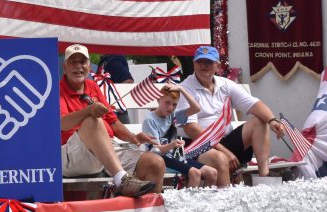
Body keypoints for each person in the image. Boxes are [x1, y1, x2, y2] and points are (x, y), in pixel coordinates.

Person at [60, 44, 165, 196]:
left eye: (82, 62)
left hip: (107, 149)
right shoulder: (57, 90)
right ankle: (122, 179)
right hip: (74, 154)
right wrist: (88, 110)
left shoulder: (92, 86)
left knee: (155, 163)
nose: (78, 66)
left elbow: (113, 122)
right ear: (65, 67)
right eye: (73, 62)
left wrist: (133, 137)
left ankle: (148, 211)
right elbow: (62, 123)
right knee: (92, 121)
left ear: (88, 66)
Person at [176, 45, 285, 187]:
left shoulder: (225, 84)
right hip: (195, 145)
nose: (204, 66)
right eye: (200, 62)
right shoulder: (185, 88)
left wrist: (272, 120)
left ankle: (264, 177)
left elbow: (254, 104)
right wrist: (225, 151)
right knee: (221, 158)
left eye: (208, 62)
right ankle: (226, 198)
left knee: (260, 121)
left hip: (222, 141)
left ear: (217, 66)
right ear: (194, 64)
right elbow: (192, 130)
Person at [141, 84, 218, 187]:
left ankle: (204, 198)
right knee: (195, 173)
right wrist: (172, 145)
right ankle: (189, 198)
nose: (170, 108)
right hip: (158, 160)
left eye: (174, 104)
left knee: (212, 173)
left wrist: (181, 89)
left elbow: (196, 108)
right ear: (158, 99)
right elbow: (155, 150)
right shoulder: (150, 120)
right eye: (167, 102)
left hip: (175, 157)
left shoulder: (173, 115)